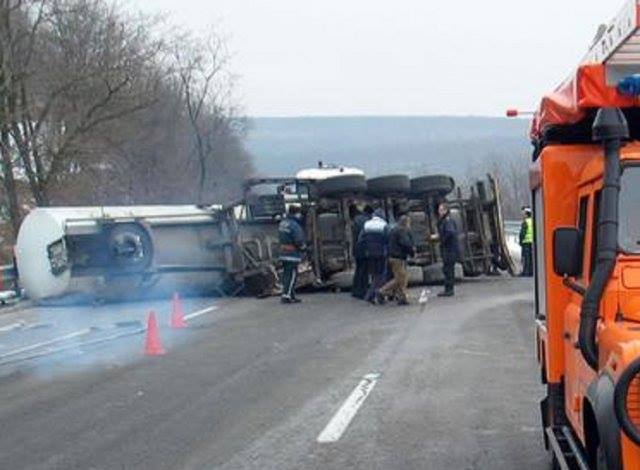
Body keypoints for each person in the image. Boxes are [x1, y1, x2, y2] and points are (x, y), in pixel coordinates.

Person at [379, 215, 415, 305]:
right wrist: (412, 252)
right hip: (398, 258)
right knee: (400, 279)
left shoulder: (395, 229)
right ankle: (381, 292)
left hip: (393, 257)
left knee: (403, 278)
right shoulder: (402, 231)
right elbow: (405, 244)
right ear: (406, 222)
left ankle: (402, 297)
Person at [360, 208, 389, 305]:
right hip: (381, 253)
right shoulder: (384, 225)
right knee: (381, 275)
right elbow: (387, 240)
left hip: (370, 254)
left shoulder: (366, 225)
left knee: (374, 275)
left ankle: (376, 296)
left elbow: (361, 240)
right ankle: (372, 295)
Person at [278, 205, 306, 303]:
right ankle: (287, 295)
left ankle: (290, 294)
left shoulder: (283, 223)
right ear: (296, 213)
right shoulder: (294, 225)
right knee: (292, 275)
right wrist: (303, 248)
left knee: (286, 274)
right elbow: (298, 239)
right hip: (292, 254)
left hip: (283, 252)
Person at [434, 202, 459, 297]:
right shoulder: (445, 220)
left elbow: (450, 233)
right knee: (447, 269)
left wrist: (442, 239)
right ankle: (448, 289)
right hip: (449, 248)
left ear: (445, 210)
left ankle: (449, 289)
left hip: (449, 249)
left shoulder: (447, 221)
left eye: (441, 210)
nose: (439, 212)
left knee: (448, 269)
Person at [351, 204, 373, 299]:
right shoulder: (367, 221)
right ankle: (362, 291)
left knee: (359, 270)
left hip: (357, 248)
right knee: (364, 271)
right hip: (365, 249)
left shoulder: (356, 219)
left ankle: (355, 290)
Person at [519, 206, 534, 277]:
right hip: (532, 242)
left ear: (526, 214)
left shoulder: (525, 222)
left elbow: (522, 233)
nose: (523, 215)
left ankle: (526, 272)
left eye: (524, 213)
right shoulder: (533, 221)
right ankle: (531, 272)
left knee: (526, 258)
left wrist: (520, 241)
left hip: (526, 242)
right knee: (531, 258)